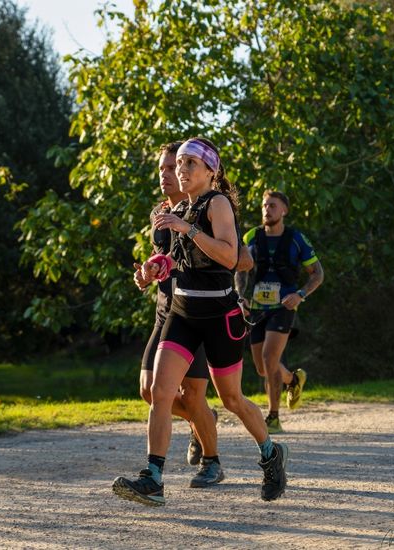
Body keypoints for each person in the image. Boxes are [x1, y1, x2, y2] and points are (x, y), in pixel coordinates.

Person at [113, 138, 288, 507]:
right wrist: (153, 270)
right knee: (160, 392)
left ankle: (271, 454)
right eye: (179, 164)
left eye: (190, 163)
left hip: (218, 317)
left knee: (232, 399)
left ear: (211, 170)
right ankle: (153, 478)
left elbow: (228, 256)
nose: (181, 170)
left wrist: (185, 228)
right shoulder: (179, 210)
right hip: (181, 314)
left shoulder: (216, 204)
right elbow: (178, 264)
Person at [133, 141, 221, 488]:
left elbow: (231, 258)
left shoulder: (203, 209)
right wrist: (146, 274)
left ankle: (212, 461)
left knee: (192, 396)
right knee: (149, 390)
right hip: (164, 311)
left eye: (173, 167)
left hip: (195, 312)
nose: (167, 175)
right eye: (162, 169)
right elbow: (160, 257)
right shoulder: (159, 214)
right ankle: (205, 421)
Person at [241, 190, 324, 434]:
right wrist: (240, 297)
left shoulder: (296, 238)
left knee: (269, 358)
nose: (267, 209)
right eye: (265, 205)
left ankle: (273, 417)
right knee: (261, 368)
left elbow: (318, 274)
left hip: (284, 306)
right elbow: (240, 269)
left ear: (284, 210)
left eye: (273, 205)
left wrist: (300, 294)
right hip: (256, 307)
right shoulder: (251, 237)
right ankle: (293, 380)